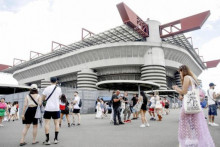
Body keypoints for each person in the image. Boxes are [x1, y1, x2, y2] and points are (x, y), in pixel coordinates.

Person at [173, 65, 215, 147]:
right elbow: (190, 92)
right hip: (194, 105)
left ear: (182, 71)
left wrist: (176, 88)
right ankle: (197, 141)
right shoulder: (192, 79)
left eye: (180, 72)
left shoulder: (186, 78)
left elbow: (184, 91)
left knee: (184, 122)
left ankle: (188, 140)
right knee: (196, 124)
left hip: (188, 105)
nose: (179, 74)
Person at [42, 77, 62, 145]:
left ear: (50, 81)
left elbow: (43, 98)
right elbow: (60, 97)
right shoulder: (59, 89)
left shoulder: (47, 88)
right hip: (56, 108)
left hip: (48, 108)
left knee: (47, 123)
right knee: (56, 123)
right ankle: (56, 139)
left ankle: (47, 140)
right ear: (56, 81)